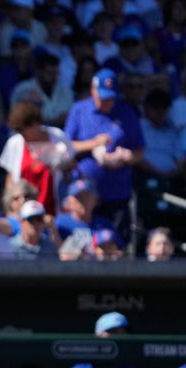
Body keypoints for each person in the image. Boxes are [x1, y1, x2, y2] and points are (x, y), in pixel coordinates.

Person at [64, 68, 144, 243]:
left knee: (117, 245)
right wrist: (94, 143)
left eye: (110, 98)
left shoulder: (127, 113)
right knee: (81, 245)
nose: (107, 102)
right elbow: (66, 146)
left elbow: (139, 151)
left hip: (117, 193)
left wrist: (127, 157)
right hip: (84, 196)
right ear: (93, 90)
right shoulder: (79, 110)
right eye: (102, 97)